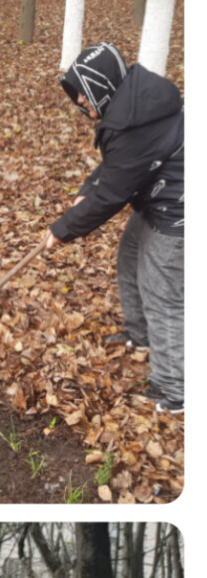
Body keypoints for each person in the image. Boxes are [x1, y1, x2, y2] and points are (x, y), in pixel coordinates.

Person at [46, 42, 184, 416]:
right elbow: (117, 167)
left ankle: (175, 390)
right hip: (158, 197)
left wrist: (62, 230)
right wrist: (83, 191)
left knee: (163, 293)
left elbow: (112, 194)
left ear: (102, 87)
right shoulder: (132, 103)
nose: (84, 109)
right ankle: (138, 337)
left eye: (85, 101)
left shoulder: (133, 119)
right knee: (129, 259)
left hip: (179, 210)